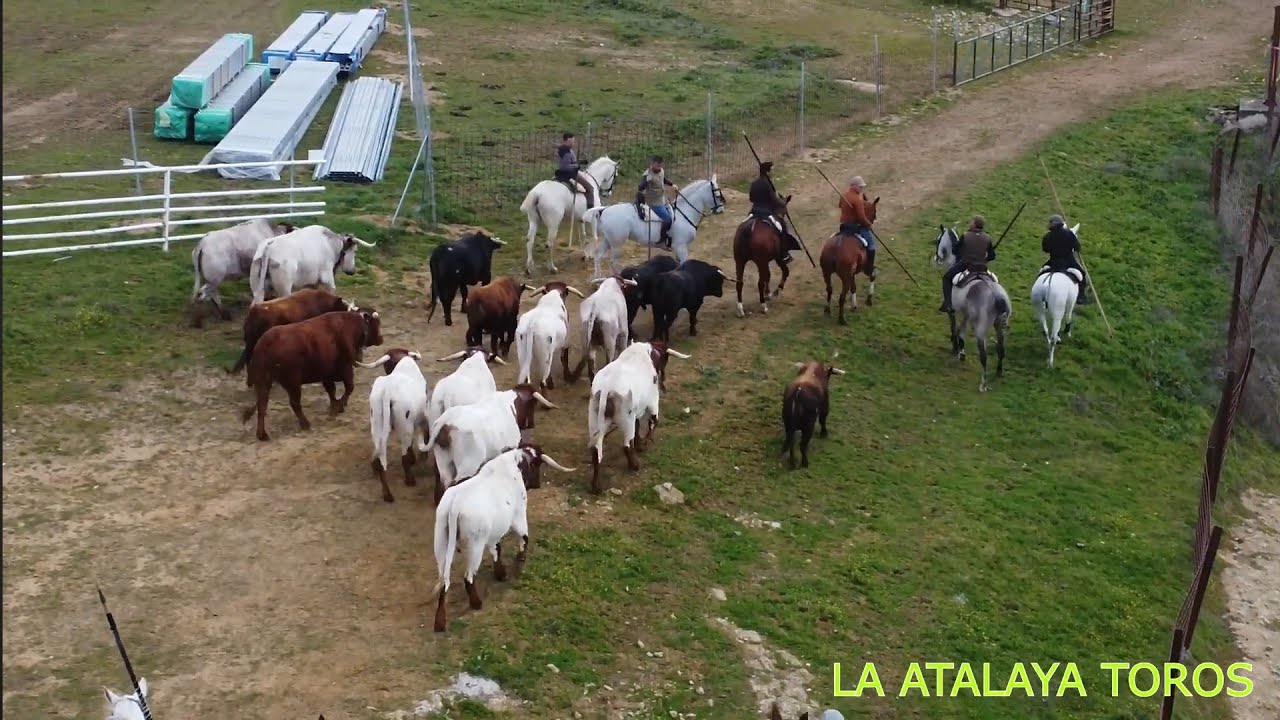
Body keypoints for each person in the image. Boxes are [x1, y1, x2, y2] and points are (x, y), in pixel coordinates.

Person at [747, 161, 801, 266]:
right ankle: (784, 253)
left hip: (754, 211)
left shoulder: (754, 183)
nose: (773, 173)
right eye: (771, 170)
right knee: (782, 227)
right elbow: (775, 200)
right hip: (766, 212)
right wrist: (784, 202)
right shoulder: (767, 184)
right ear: (767, 172)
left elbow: (751, 198)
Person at [939, 214, 996, 313]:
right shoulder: (987, 238)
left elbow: (955, 251)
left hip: (966, 265)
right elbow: (992, 256)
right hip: (982, 267)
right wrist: (984, 258)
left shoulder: (966, 235)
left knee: (946, 278)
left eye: (971, 222)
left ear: (974, 224)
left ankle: (948, 304)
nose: (970, 223)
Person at [1040, 214, 1091, 304]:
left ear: (1054, 224)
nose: (1048, 225)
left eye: (1050, 223)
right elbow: (1077, 248)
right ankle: (1081, 296)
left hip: (1053, 262)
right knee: (1082, 275)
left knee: (1041, 274)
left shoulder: (1047, 236)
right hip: (1069, 262)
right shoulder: (1069, 233)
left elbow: (1045, 249)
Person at [838, 175, 877, 278]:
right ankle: (869, 269)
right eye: (860, 187)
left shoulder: (843, 196)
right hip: (854, 227)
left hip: (843, 226)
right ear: (854, 186)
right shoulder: (857, 199)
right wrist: (868, 224)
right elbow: (861, 218)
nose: (861, 189)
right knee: (871, 246)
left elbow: (839, 205)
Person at [635, 155, 678, 248]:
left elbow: (663, 179)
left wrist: (672, 184)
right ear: (653, 164)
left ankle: (671, 236)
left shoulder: (661, 171)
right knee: (667, 219)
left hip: (662, 199)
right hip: (653, 202)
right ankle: (662, 239)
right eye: (657, 165)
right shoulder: (647, 174)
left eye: (660, 165)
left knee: (674, 213)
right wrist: (647, 181)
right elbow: (640, 187)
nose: (659, 167)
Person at [554, 132, 594, 209]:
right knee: (590, 188)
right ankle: (590, 209)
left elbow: (570, 162)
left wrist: (579, 162)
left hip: (563, 173)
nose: (572, 143)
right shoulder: (565, 151)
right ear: (565, 141)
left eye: (573, 141)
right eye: (571, 141)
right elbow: (564, 166)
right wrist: (577, 165)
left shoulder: (567, 150)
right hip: (570, 174)